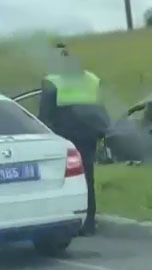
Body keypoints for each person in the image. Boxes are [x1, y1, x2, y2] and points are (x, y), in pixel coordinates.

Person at [39, 43, 110, 236]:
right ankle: (89, 222)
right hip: (88, 136)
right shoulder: (92, 79)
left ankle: (63, 220)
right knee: (87, 178)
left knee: (61, 180)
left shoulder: (52, 81)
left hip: (64, 139)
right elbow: (101, 108)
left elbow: (44, 115)